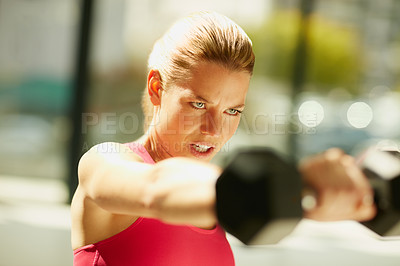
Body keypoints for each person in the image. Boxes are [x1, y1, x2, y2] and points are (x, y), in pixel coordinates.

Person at [71, 11, 376, 266]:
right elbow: (155, 189)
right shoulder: (104, 161)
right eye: (199, 104)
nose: (214, 130)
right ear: (156, 89)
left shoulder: (215, 206)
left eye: (232, 110)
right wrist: (295, 186)